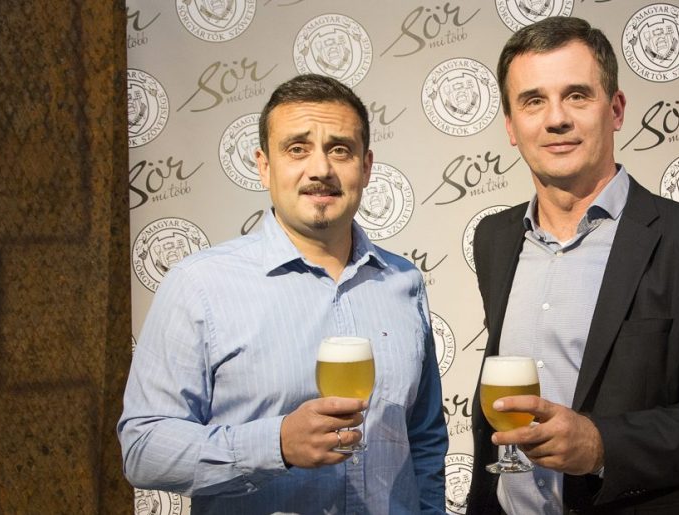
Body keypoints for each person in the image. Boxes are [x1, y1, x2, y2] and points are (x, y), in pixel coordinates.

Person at [466, 16, 679, 514]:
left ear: (616, 109)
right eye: (533, 101)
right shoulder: (494, 238)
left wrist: (602, 444)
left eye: (577, 96)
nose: (556, 118)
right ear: (511, 126)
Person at [118, 74, 448, 514]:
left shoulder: (403, 281)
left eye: (340, 149)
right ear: (264, 166)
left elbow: (424, 439)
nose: (321, 169)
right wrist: (275, 444)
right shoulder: (199, 285)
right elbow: (142, 448)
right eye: (297, 149)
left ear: (366, 167)